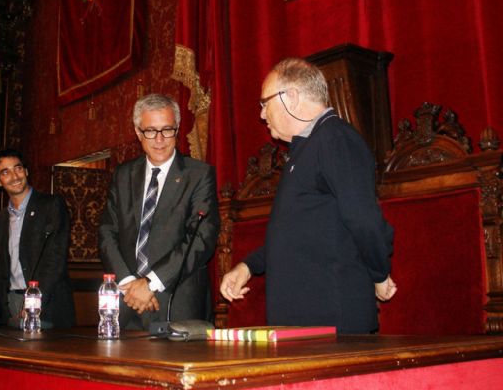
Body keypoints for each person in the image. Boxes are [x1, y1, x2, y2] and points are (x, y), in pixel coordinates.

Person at [219, 58, 396, 334]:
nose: (262, 115)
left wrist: (379, 273)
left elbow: (363, 219)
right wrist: (248, 266)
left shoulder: (336, 139)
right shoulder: (305, 149)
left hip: (332, 322)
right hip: (306, 322)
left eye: (265, 103)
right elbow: (296, 232)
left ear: (291, 96)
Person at [98, 93, 220, 330]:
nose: (160, 139)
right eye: (150, 131)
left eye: (167, 130)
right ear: (137, 132)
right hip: (127, 300)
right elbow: (107, 232)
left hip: (176, 302)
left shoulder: (198, 175)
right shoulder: (123, 175)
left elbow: (200, 239)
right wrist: (130, 284)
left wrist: (150, 284)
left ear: (177, 128)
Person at [0, 148, 75, 328]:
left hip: (48, 305)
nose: (14, 176)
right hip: (12, 304)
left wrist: (33, 302)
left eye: (18, 168)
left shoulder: (52, 206)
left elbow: (55, 262)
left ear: (26, 171)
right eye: (5, 172)